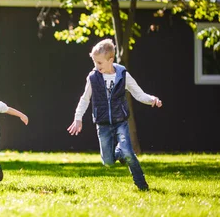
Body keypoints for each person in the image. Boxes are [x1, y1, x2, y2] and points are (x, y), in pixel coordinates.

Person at [67, 39, 162, 191]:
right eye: (95, 63)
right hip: (103, 124)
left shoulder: (123, 75)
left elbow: (138, 93)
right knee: (108, 162)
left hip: (120, 122)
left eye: (100, 63)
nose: (97, 67)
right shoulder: (93, 77)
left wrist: (152, 99)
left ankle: (142, 186)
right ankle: (121, 152)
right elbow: (85, 99)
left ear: (110, 60)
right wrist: (78, 118)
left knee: (130, 154)